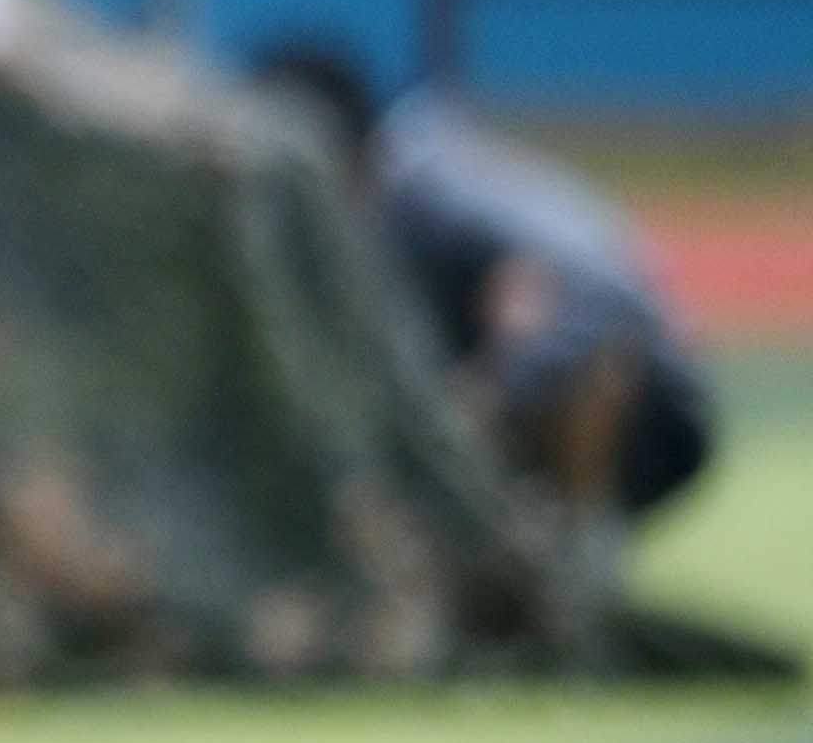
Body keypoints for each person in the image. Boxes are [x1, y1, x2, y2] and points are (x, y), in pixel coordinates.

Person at [250, 37, 721, 522]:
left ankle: (570, 552)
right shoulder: (395, 189)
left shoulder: (431, 184)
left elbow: (612, 300)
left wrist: (485, 397)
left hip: (652, 413)